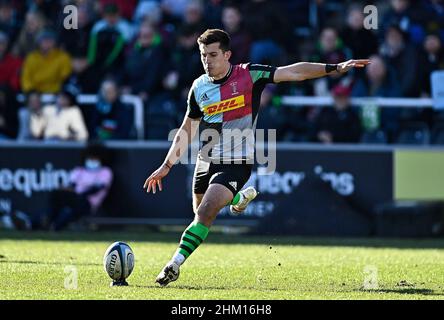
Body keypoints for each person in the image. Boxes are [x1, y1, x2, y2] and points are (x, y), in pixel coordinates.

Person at [142, 29, 370, 286]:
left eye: (213, 55)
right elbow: (188, 127)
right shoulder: (199, 87)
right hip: (207, 158)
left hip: (237, 161)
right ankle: (239, 198)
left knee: (206, 211)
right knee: (199, 213)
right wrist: (167, 164)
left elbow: (293, 71)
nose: (207, 61)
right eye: (203, 55)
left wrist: (335, 67)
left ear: (227, 54)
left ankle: (173, 265)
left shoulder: (249, 74)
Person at [46, 143, 113, 231]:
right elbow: (72, 185)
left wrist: (80, 194)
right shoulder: (79, 170)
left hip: (88, 203)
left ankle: (55, 226)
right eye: (90, 158)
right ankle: (47, 221)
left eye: (94, 158)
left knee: (75, 206)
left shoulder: (105, 172)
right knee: (57, 194)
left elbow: (96, 189)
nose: (92, 161)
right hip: (74, 198)